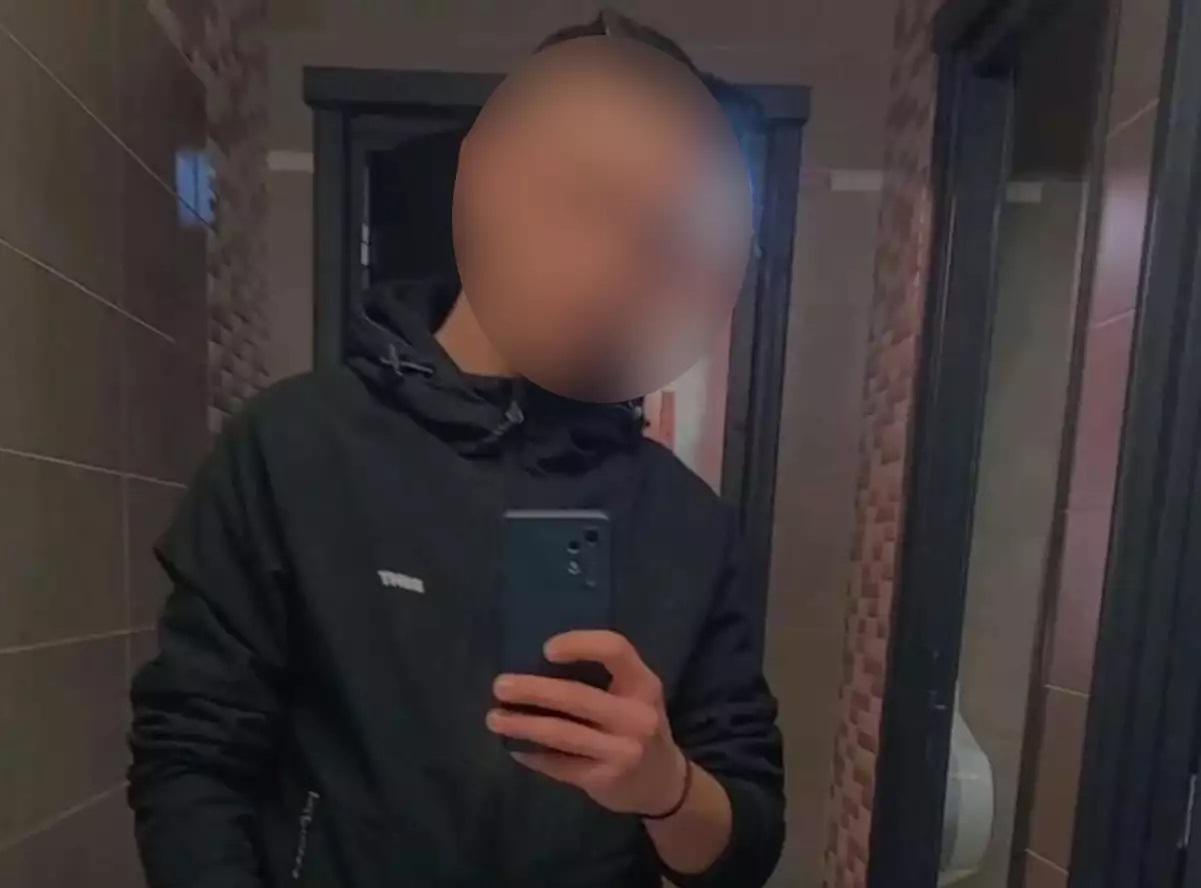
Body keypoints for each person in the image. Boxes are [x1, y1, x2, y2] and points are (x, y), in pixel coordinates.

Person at [128, 13, 784, 888]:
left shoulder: (687, 527)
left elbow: (745, 846)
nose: (611, 254)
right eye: (583, 196)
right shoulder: (295, 450)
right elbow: (190, 763)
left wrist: (664, 788)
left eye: (654, 225)